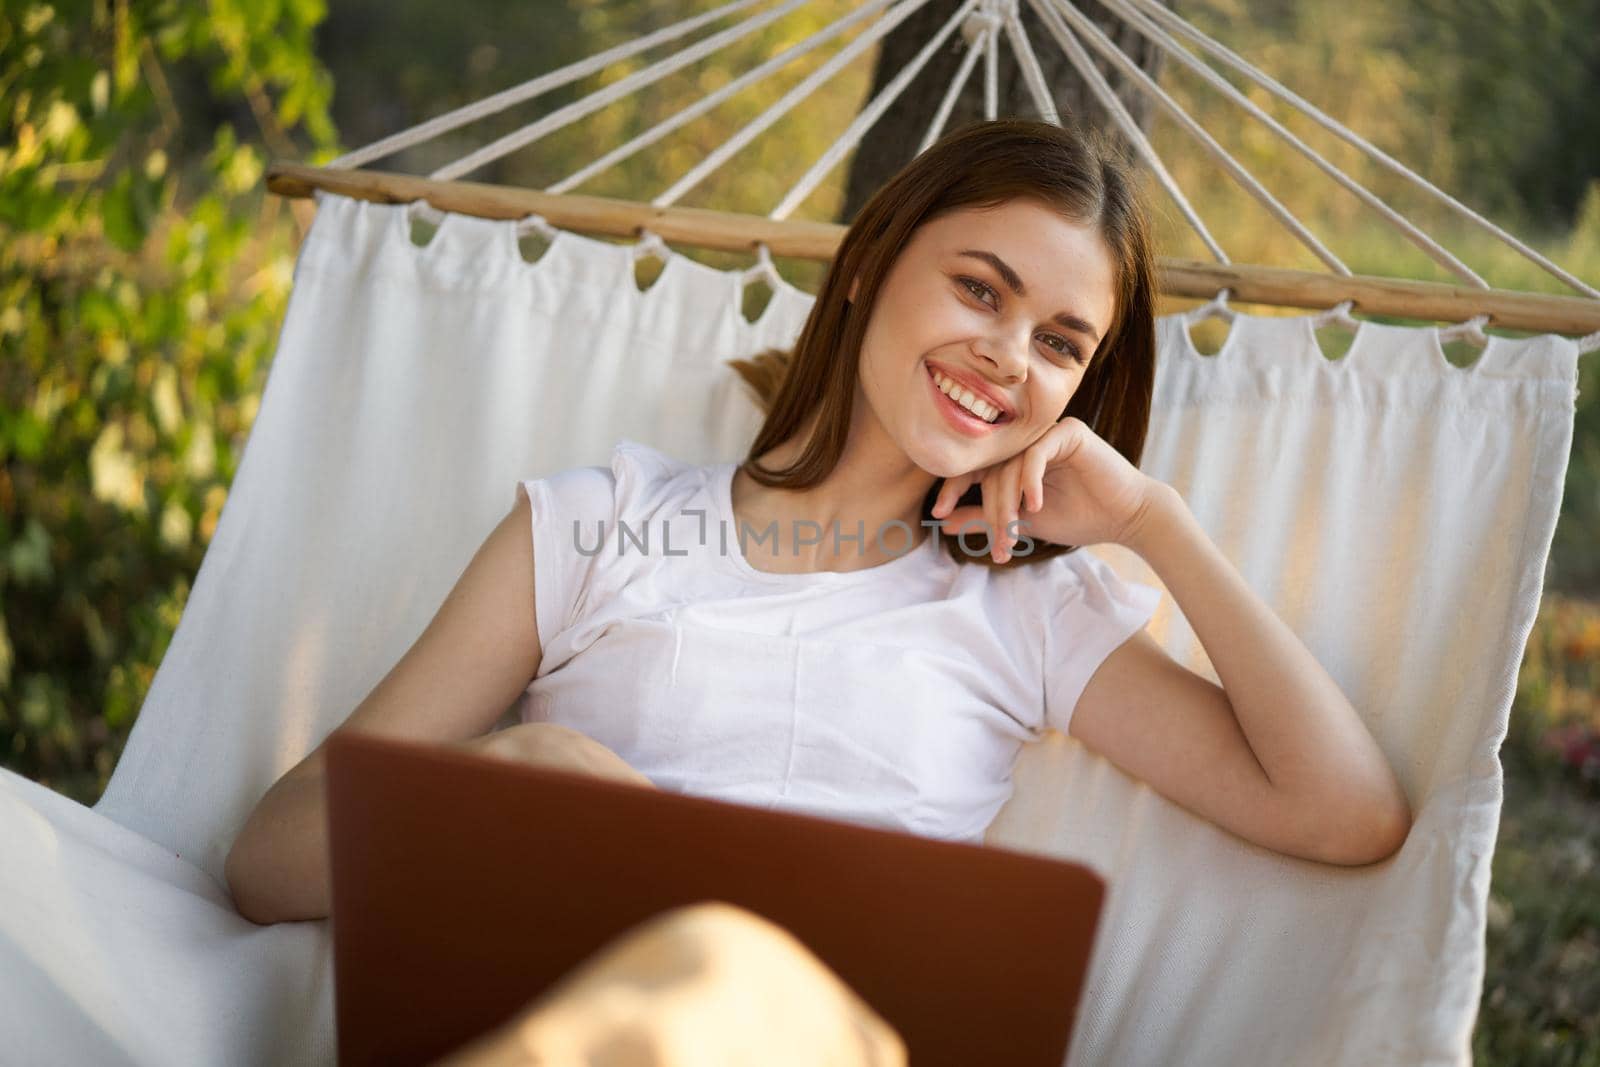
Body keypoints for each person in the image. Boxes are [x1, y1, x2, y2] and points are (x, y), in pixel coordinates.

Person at [224, 118, 1413, 931]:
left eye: (1060, 343)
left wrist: (1153, 522)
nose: (1008, 356)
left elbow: (1344, 811)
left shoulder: (1030, 612)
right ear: (869, 268)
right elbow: (271, 859)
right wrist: (525, 783)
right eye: (980, 288)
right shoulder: (598, 529)